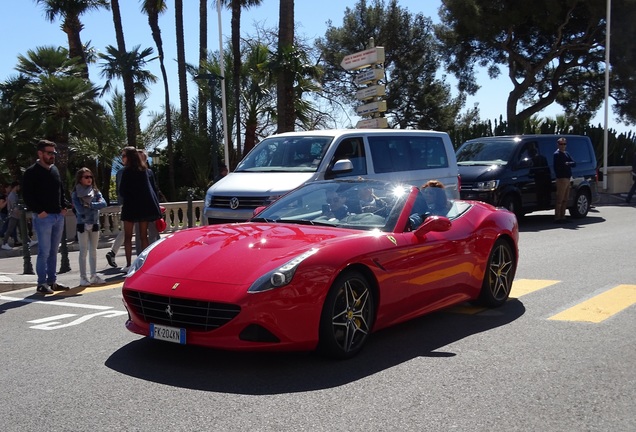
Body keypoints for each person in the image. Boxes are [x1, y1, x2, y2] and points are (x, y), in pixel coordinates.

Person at [21, 140, 70, 294]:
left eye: (53, 153)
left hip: (58, 216)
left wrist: (64, 206)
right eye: (49, 153)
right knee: (44, 251)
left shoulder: (54, 170)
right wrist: (39, 211)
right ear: (40, 153)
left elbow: (60, 189)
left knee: (54, 251)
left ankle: (52, 281)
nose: (52, 156)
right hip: (43, 217)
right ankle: (41, 283)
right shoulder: (31, 172)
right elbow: (27, 195)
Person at [119, 146, 161, 272]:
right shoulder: (144, 171)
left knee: (128, 237)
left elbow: (122, 191)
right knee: (144, 236)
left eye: (124, 155)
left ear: (129, 157)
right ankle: (144, 263)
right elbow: (152, 190)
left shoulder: (126, 172)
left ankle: (128, 264)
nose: (122, 158)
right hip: (143, 207)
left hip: (130, 207)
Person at [71, 168, 107, 286]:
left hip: (95, 223)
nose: (89, 179)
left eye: (90, 177)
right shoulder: (76, 193)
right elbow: (80, 210)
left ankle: (93, 275)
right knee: (83, 251)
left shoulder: (95, 191)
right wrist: (93, 206)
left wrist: (89, 204)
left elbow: (103, 203)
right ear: (80, 179)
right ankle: (83, 277)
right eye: (86, 177)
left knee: (93, 251)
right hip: (82, 224)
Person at [553, 137, 576, 223]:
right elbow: (561, 165)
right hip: (561, 178)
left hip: (568, 178)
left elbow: (574, 163)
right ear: (558, 145)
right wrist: (566, 164)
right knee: (560, 198)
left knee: (566, 198)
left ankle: (563, 216)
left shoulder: (566, 154)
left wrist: (568, 163)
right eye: (561, 144)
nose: (563, 146)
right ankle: (557, 217)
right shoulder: (557, 154)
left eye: (564, 144)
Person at [1, 181, 24, 250]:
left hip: (15, 215)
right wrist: (19, 214)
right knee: (10, 230)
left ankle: (28, 241)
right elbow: (14, 206)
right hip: (13, 216)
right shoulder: (12, 195)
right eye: (18, 186)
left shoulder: (14, 194)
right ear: (16, 186)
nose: (19, 188)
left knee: (22, 229)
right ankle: (4, 243)